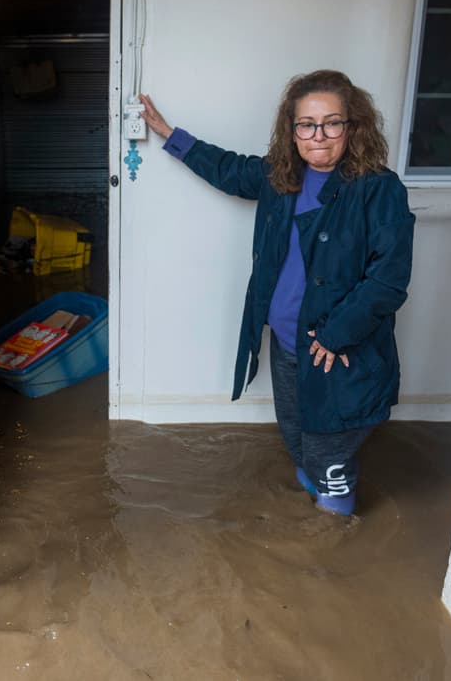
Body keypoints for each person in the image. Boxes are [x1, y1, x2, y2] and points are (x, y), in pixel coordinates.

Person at [139, 70, 414, 516]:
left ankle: (331, 553)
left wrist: (336, 334)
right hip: (287, 346)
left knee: (329, 457)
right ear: (292, 130)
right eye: (306, 124)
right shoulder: (280, 177)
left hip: (336, 350)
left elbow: (388, 279)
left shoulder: (379, 190)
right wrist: (169, 134)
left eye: (332, 122)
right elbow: (227, 168)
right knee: (298, 440)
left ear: (353, 126)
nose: (318, 135)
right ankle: (309, 528)